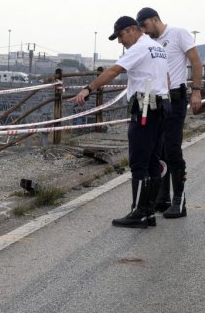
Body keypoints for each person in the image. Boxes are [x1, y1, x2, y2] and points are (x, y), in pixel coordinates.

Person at [71, 16, 170, 228]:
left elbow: (114, 71)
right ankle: (149, 212)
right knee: (153, 161)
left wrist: (89, 88)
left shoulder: (139, 48)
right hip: (160, 108)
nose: (120, 41)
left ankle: (139, 212)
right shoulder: (157, 47)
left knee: (139, 162)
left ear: (133, 30)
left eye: (121, 35)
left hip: (145, 109)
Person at [136, 7, 203, 219]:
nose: (145, 31)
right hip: (159, 99)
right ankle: (162, 198)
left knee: (173, 149)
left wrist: (197, 91)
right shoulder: (149, 42)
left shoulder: (178, 33)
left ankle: (179, 201)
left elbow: (195, 61)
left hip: (176, 98)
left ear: (155, 19)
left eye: (146, 26)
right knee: (159, 150)